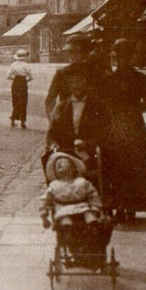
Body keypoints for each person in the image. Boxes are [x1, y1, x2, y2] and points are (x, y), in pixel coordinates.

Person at [103, 39, 146, 220]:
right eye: (118, 57)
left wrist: (128, 111)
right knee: (118, 166)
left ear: (130, 58)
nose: (121, 61)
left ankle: (129, 206)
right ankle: (121, 206)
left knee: (129, 166)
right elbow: (101, 103)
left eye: (124, 57)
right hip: (122, 126)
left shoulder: (134, 79)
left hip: (128, 126)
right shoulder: (111, 79)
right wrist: (132, 111)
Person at [44, 34, 112, 183]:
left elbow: (106, 102)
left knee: (108, 160)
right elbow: (50, 100)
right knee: (49, 158)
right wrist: (54, 122)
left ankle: (105, 197)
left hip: (90, 129)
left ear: (86, 53)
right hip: (67, 126)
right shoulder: (61, 74)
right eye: (70, 52)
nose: (73, 56)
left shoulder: (96, 74)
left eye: (77, 52)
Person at [40, 150, 111, 265]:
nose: (60, 164)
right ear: (55, 173)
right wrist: (44, 216)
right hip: (64, 209)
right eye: (57, 165)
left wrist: (96, 208)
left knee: (89, 214)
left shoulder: (82, 182)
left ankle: (92, 226)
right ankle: (68, 233)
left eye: (64, 162)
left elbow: (93, 195)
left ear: (73, 169)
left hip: (82, 206)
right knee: (65, 220)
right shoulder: (54, 185)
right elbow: (45, 200)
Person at [6, 48, 33, 128]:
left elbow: (8, 76)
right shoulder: (26, 65)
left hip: (15, 83)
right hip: (23, 83)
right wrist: (26, 81)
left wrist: (14, 79)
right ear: (25, 57)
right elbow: (31, 77)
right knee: (23, 101)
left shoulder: (13, 65)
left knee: (15, 101)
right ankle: (23, 121)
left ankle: (13, 118)